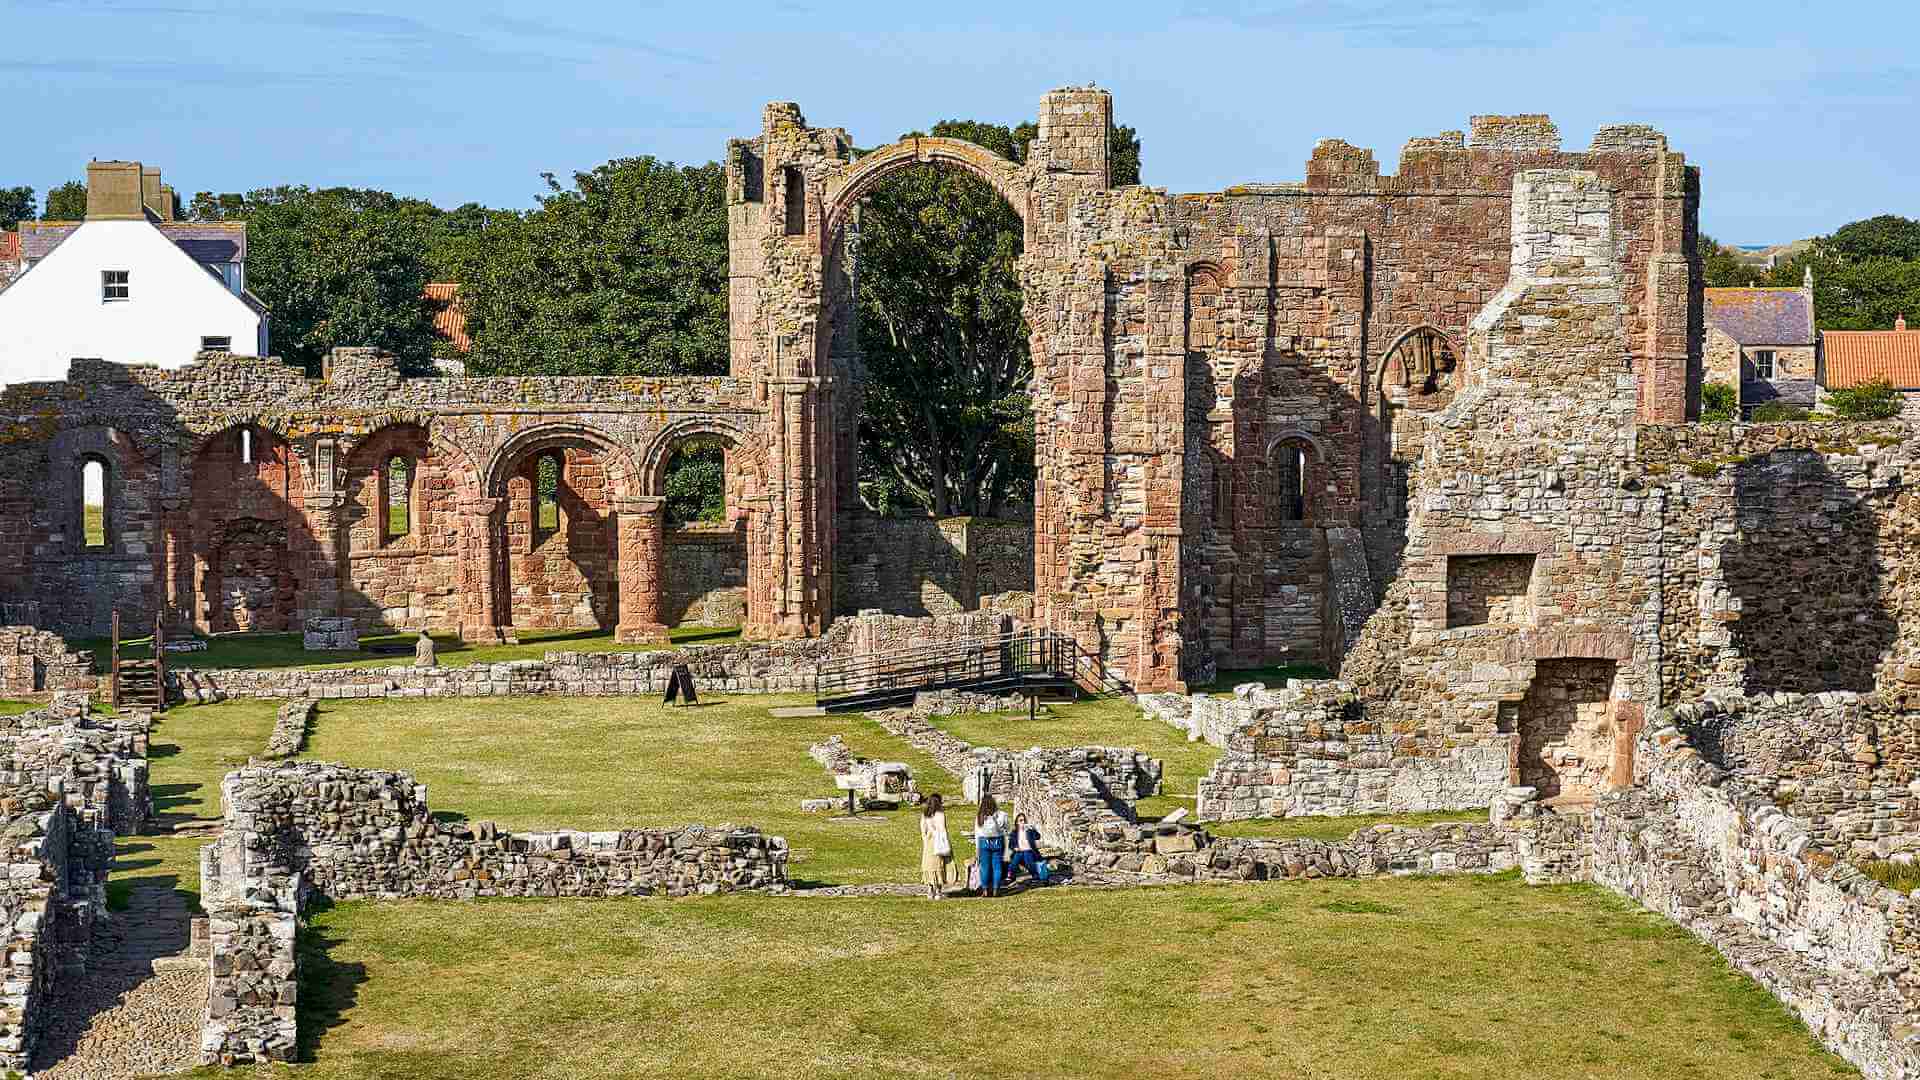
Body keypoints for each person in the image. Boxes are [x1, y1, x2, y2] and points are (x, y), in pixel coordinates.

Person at [973, 793, 1010, 898]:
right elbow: (1008, 828)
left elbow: (977, 833)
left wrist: (977, 848)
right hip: (998, 841)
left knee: (984, 867)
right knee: (997, 866)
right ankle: (996, 889)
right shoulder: (1002, 814)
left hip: (983, 842)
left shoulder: (980, 816)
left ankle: (985, 890)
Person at [919, 793, 952, 900]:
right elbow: (943, 829)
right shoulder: (940, 814)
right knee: (938, 864)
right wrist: (946, 842)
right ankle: (938, 891)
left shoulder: (925, 815)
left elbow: (923, 830)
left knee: (928, 864)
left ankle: (930, 890)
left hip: (929, 841)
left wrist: (925, 841)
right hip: (938, 841)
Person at [1005, 813, 1045, 885]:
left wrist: (1034, 829)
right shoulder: (1014, 832)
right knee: (1014, 862)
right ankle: (1011, 876)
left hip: (1029, 850)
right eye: (1021, 820)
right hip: (1019, 851)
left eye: (1024, 820)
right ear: (1017, 822)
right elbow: (1010, 845)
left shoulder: (1029, 830)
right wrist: (1015, 848)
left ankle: (1035, 876)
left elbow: (1038, 837)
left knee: (1028, 860)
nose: (1023, 822)